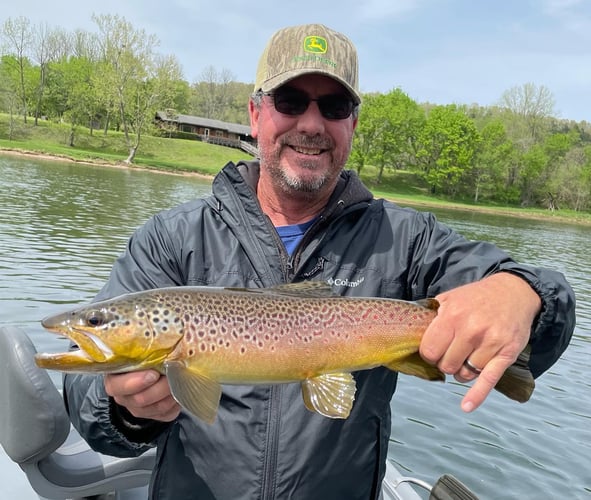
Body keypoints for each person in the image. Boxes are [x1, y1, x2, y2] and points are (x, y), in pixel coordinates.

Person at [64, 24, 575, 499]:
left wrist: (523, 294)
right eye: (290, 101)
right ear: (256, 113)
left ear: (352, 122)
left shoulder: (408, 240)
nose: (311, 123)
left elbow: (545, 312)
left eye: (333, 106)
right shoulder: (171, 240)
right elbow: (90, 408)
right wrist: (126, 411)